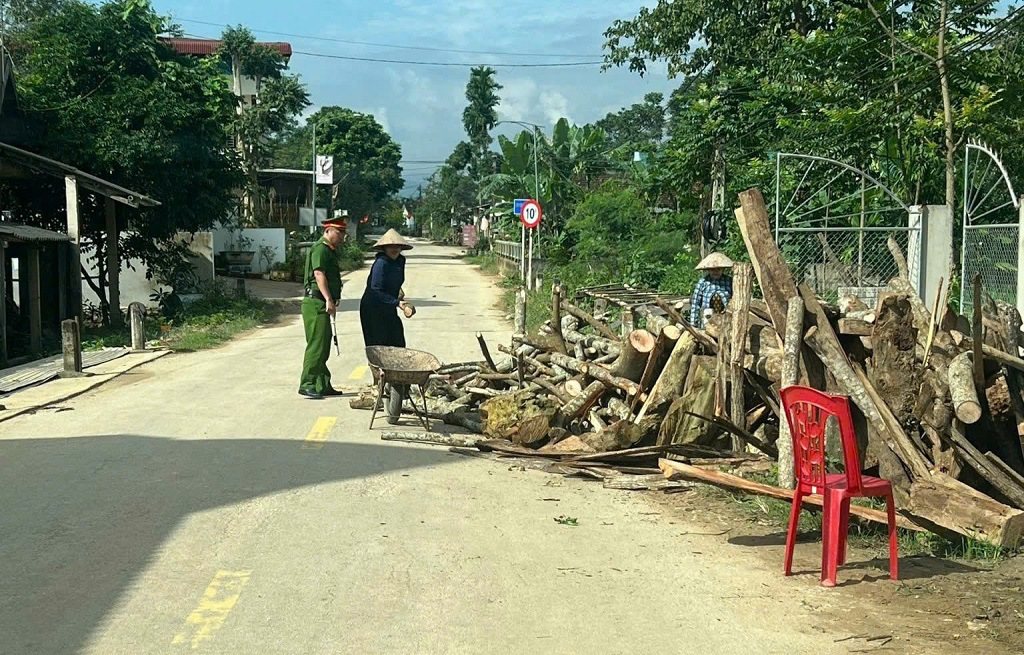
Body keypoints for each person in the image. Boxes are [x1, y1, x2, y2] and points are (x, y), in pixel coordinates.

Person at [360, 229, 416, 423]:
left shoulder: (401, 261)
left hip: (389, 306)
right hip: (373, 308)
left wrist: (400, 298)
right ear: (384, 248)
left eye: (397, 246)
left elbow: (395, 285)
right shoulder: (380, 264)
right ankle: (378, 381)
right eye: (390, 246)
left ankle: (396, 381)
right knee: (379, 345)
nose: (394, 249)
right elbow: (375, 290)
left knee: (397, 341)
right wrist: (397, 303)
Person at [297, 217, 347, 399]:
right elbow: (319, 274)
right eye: (339, 232)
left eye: (343, 232)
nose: (342, 236)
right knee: (316, 345)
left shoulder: (329, 250)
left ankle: (322, 383)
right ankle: (307, 383)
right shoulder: (320, 249)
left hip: (321, 302)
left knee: (324, 344)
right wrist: (328, 299)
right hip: (316, 302)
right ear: (328, 231)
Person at [689, 252, 735, 328]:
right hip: (707, 320)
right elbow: (695, 303)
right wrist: (693, 324)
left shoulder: (729, 281)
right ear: (708, 270)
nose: (715, 272)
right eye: (712, 269)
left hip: (726, 320)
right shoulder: (703, 282)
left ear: (723, 269)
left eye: (718, 269)